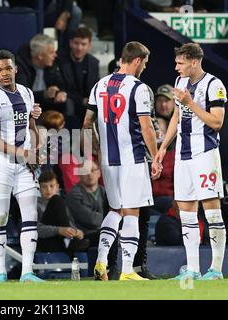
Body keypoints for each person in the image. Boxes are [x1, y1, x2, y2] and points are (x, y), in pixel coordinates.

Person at [83, 41, 161, 281]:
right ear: (137, 60)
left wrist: (97, 148)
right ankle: (127, 270)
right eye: (144, 64)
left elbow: (86, 123)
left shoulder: (100, 85)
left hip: (109, 161)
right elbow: (147, 127)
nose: (144, 68)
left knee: (115, 210)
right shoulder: (139, 88)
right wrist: (156, 156)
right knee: (132, 212)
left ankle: (101, 261)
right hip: (133, 159)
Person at [156, 43, 227, 280]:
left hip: (204, 152)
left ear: (194, 62)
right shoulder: (180, 84)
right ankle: (193, 269)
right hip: (182, 154)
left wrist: (190, 102)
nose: (176, 67)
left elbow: (216, 122)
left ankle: (216, 269)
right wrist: (164, 147)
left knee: (212, 213)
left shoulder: (214, 85)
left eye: (180, 63)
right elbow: (176, 115)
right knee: (186, 213)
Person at [0, 49, 43, 283]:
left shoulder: (27, 92)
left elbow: (31, 127)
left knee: (30, 216)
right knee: (0, 217)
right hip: (2, 165)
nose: (5, 73)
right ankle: (0, 274)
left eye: (8, 68)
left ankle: (27, 272)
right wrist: (23, 153)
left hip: (25, 166)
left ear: (15, 68)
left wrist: (37, 150)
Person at [16, 34, 70, 118]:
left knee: (68, 104)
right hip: (27, 109)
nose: (55, 55)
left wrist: (61, 92)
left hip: (46, 106)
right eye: (51, 52)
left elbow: (61, 83)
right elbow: (23, 95)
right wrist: (45, 94)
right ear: (40, 56)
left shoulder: (51, 63)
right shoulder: (20, 66)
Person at [37, 170, 89, 254]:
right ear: (39, 188)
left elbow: (68, 223)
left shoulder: (62, 204)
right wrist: (58, 230)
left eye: (51, 186)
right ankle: (70, 240)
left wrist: (76, 231)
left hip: (61, 241)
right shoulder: (34, 205)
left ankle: (70, 240)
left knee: (96, 236)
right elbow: (35, 229)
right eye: (44, 187)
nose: (48, 190)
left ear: (57, 187)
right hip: (46, 241)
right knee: (56, 199)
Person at [57, 27, 100, 128]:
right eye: (76, 43)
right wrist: (82, 100)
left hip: (87, 105)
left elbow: (95, 87)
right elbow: (61, 88)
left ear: (89, 45)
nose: (79, 48)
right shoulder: (60, 61)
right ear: (70, 43)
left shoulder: (94, 63)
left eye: (83, 44)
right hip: (68, 102)